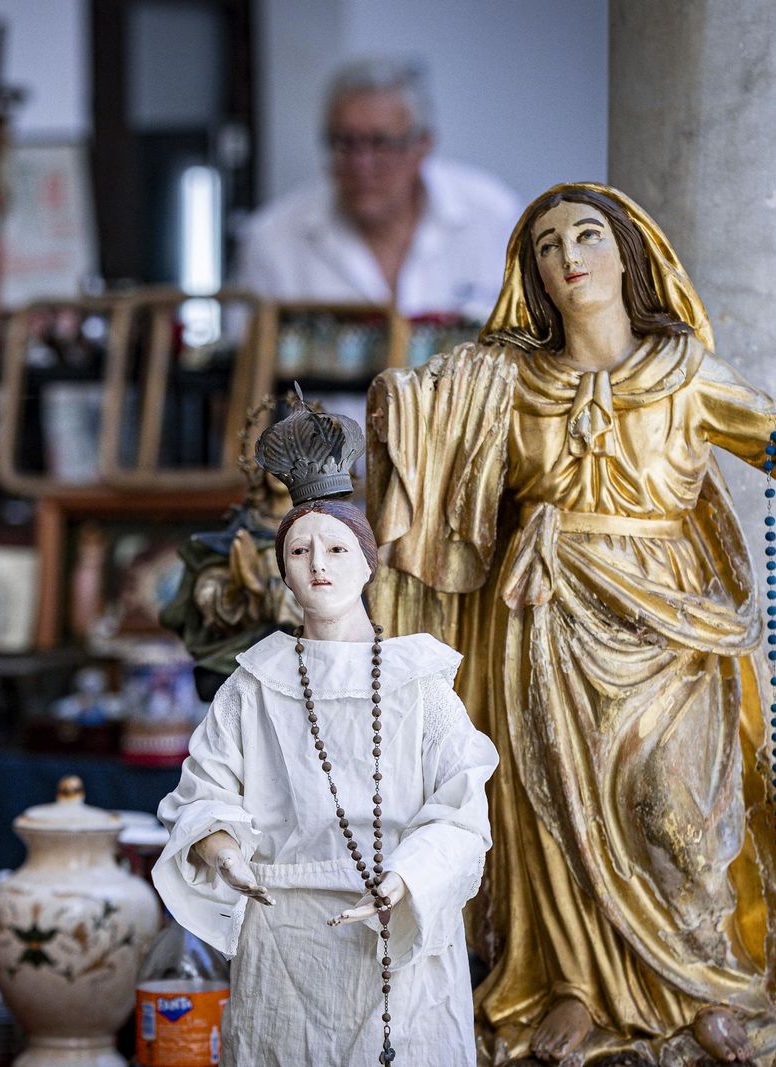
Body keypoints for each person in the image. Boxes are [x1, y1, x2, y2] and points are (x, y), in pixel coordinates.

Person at [366, 182, 776, 1065]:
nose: (569, 256)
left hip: (669, 627)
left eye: (587, 236)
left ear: (628, 253)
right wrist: (397, 408)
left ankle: (702, 987)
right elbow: (425, 428)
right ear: (533, 273)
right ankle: (574, 987)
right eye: (547, 246)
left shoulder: (684, 372)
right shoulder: (508, 381)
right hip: (544, 619)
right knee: (554, 814)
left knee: (679, 812)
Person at [154, 398, 499, 1065]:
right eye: (300, 550)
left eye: (338, 548)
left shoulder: (420, 683)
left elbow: (462, 811)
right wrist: (222, 848)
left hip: (394, 929)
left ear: (368, 562)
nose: (320, 564)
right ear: (281, 569)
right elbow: (204, 789)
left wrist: (405, 878)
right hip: (286, 930)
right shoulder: (255, 684)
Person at [237, 58, 522, 322]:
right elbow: (245, 363)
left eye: (380, 143)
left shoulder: (493, 217)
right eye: (345, 143)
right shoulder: (273, 240)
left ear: (422, 145)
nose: (362, 164)